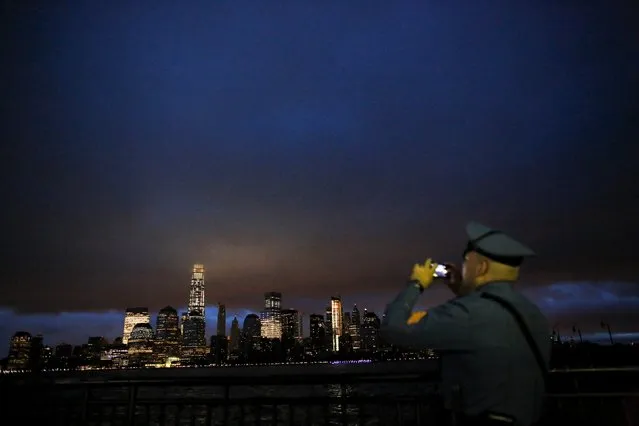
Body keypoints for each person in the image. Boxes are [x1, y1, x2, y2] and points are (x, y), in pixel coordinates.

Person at [380, 221, 551, 426]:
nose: (463, 269)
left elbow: (393, 328)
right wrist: (461, 288)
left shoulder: (468, 313)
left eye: (466, 263)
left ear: (481, 267)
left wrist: (416, 284)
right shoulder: (533, 313)